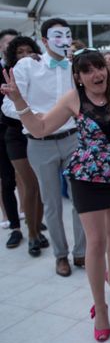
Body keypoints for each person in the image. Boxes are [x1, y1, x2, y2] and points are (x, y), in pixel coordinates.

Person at [1, 48, 110, 341]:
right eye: (87, 70)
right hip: (87, 175)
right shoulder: (73, 99)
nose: (96, 74)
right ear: (77, 77)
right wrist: (19, 101)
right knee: (96, 240)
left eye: (99, 67)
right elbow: (39, 128)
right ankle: (100, 308)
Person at [11, 18, 86, 277]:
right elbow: (10, 103)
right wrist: (37, 118)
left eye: (67, 34)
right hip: (39, 143)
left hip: (73, 139)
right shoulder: (27, 66)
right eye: (57, 35)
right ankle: (60, 255)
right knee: (51, 203)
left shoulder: (75, 67)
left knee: (80, 200)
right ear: (44, 41)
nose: (63, 40)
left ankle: (81, 253)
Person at [1, 36, 48, 256]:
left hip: (36, 133)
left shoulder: (40, 73)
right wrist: (30, 115)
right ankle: (31, 235)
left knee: (38, 186)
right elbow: (7, 108)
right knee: (28, 185)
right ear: (12, 55)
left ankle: (37, 230)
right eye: (20, 52)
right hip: (15, 136)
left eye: (29, 50)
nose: (25, 55)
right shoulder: (10, 75)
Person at [0, 29, 21, 243]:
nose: (12, 47)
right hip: (3, 129)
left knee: (28, 179)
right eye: (8, 43)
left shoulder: (29, 68)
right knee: (6, 180)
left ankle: (33, 219)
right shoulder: (4, 69)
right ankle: (15, 226)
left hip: (24, 130)